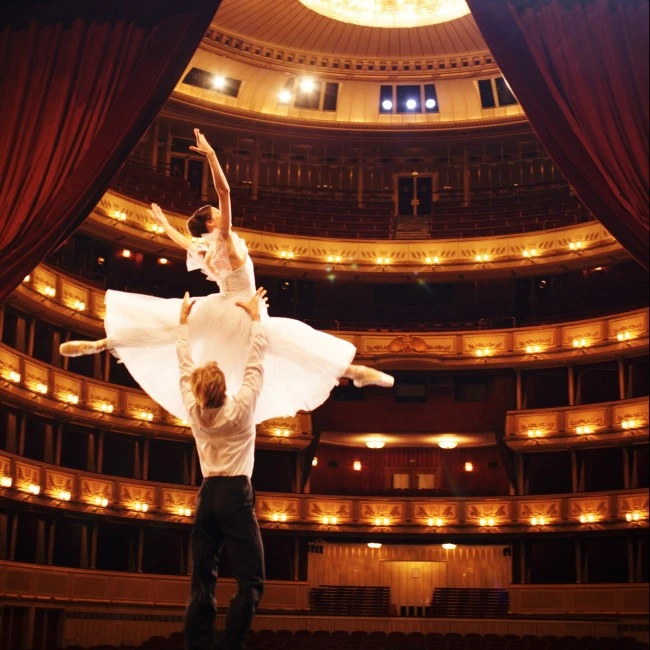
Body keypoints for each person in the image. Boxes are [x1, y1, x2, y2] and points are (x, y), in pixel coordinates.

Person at [60, 128, 394, 424]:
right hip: (243, 312)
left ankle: (102, 344)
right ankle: (352, 373)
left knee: (169, 331)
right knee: (292, 344)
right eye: (217, 214)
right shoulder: (224, 242)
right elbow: (225, 192)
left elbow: (183, 242)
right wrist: (212, 156)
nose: (222, 214)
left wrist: (165, 227)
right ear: (211, 224)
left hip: (222, 306)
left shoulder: (209, 252)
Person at [177, 287, 266, 650]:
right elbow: (255, 361)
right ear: (224, 387)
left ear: (198, 393)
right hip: (235, 494)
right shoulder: (241, 408)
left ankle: (197, 646)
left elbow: (184, 366)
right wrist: (256, 316)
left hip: (207, 495)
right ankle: (230, 645)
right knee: (252, 580)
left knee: (202, 577)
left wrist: (183, 323)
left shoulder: (194, 411)